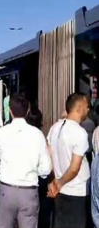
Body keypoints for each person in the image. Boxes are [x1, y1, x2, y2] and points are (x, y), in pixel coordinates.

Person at [0, 94, 51, 228]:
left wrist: (3, 169)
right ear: (28, 111)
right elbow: (46, 168)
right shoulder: (37, 134)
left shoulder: (2, 132)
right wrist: (34, 171)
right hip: (29, 192)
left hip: (7, 189)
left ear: (10, 111)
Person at [47, 93, 91, 228]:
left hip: (59, 191)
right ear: (78, 109)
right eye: (86, 106)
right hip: (76, 192)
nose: (88, 109)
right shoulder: (79, 132)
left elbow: (49, 157)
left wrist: (53, 181)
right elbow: (74, 168)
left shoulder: (54, 128)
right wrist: (59, 183)